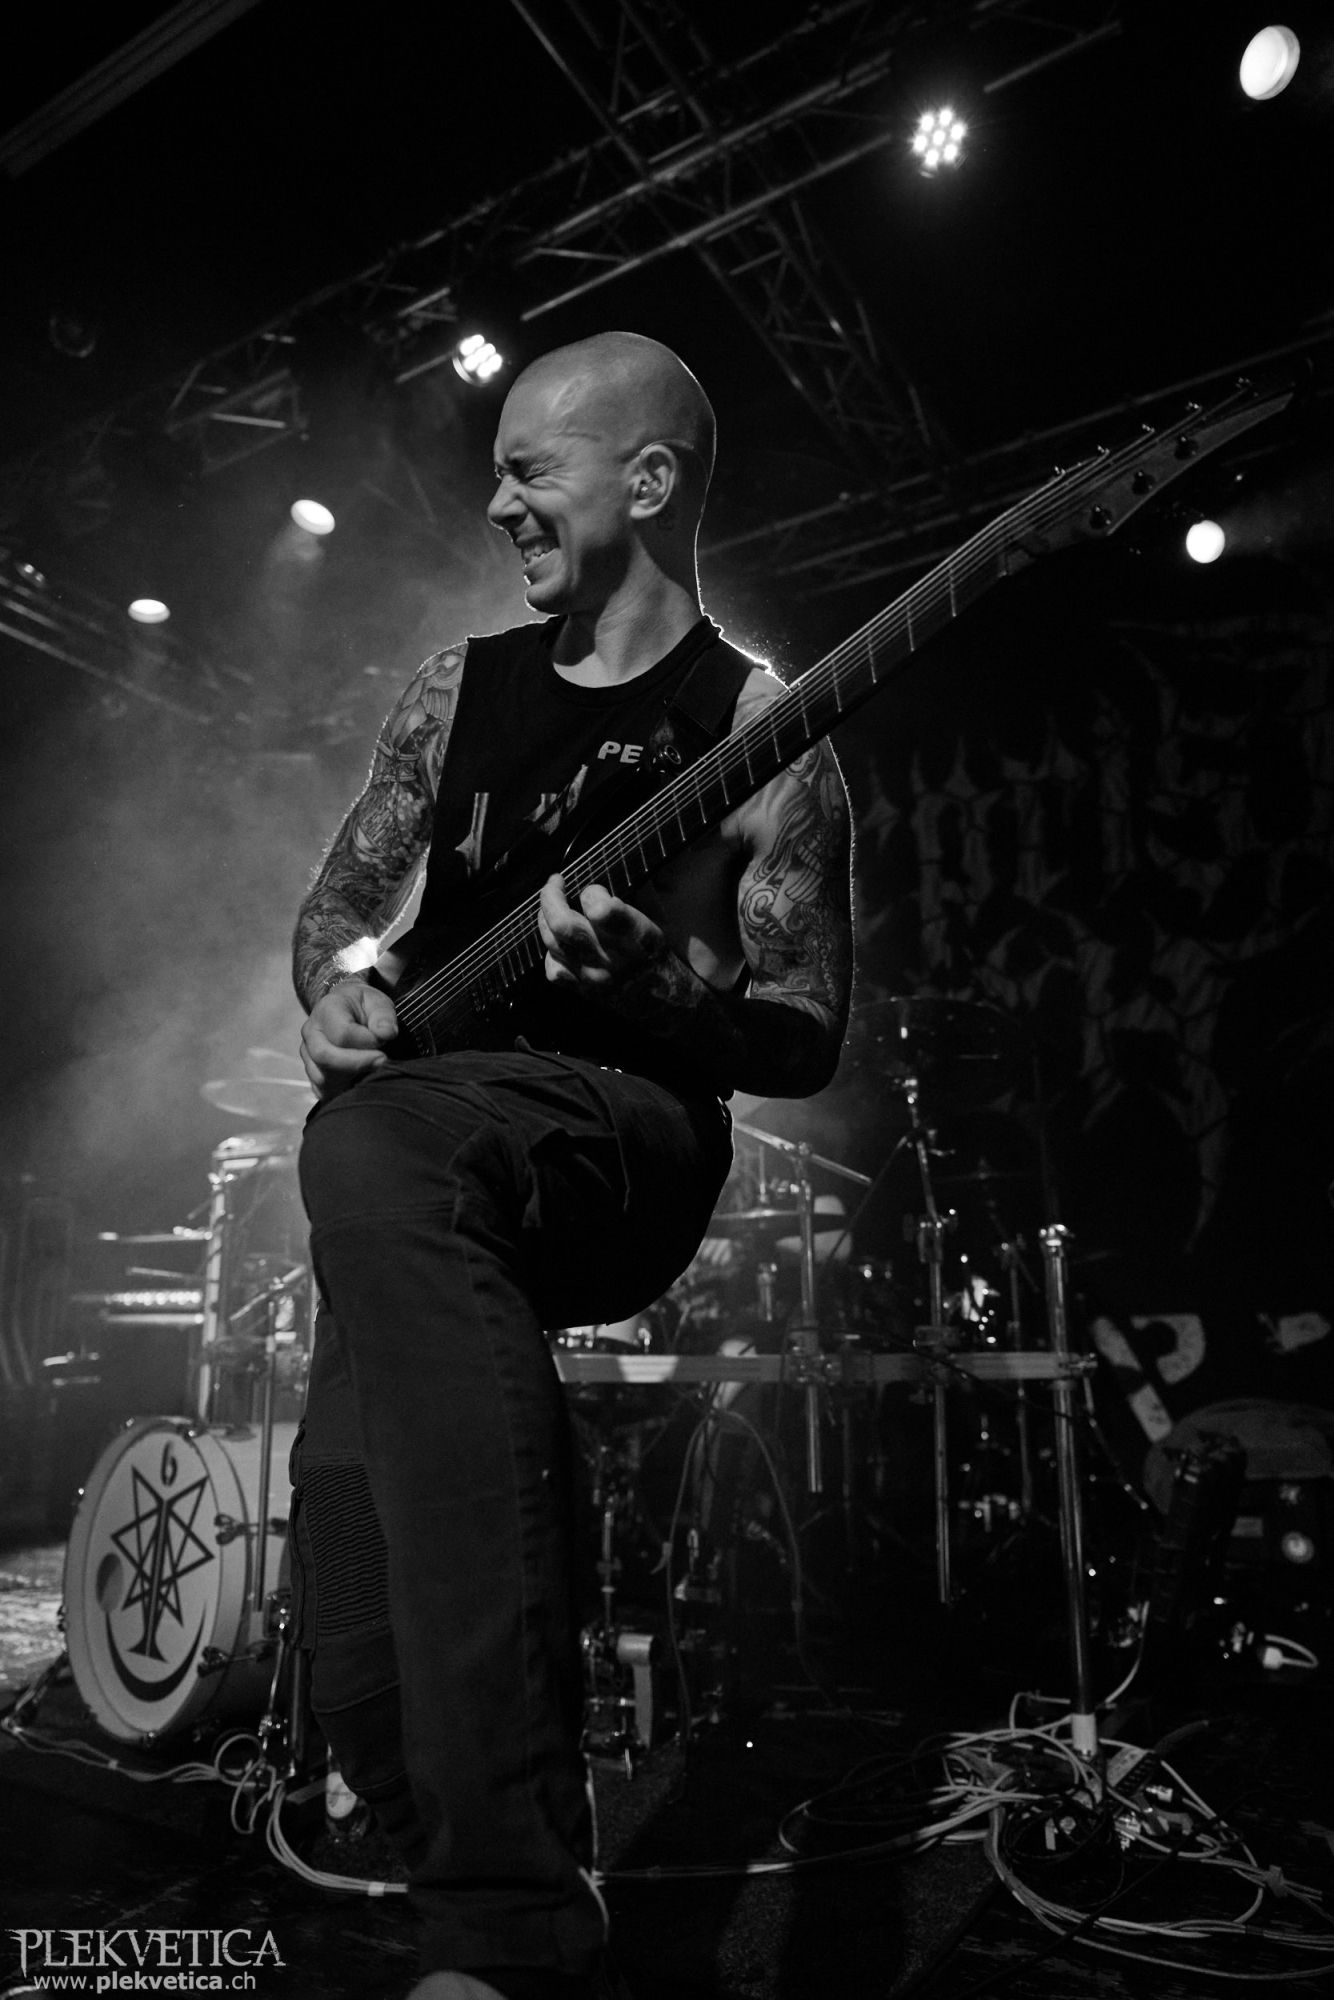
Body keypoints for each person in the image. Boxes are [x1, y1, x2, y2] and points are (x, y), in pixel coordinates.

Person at [290, 330, 853, 2000]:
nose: (497, 506)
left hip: (624, 1131)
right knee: (352, 1590)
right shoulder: (451, 692)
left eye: (530, 470)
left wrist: (675, 996)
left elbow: (805, 1033)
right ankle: (398, 1784)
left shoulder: (762, 730)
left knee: (371, 1146)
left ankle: (513, 1914)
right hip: (425, 1131)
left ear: (647, 480)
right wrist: (340, 991)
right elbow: (342, 910)